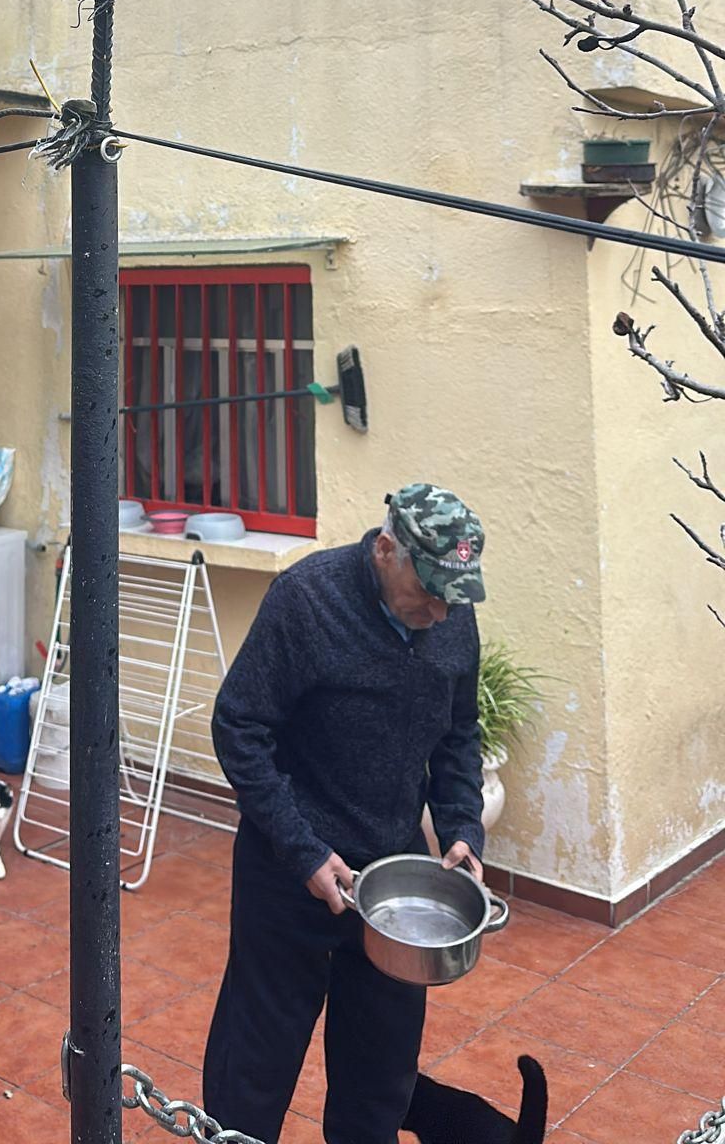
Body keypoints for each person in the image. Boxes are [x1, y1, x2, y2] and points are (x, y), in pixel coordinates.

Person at [203, 483, 487, 1144]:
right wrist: (302, 850)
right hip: (289, 869)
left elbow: (458, 735)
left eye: (456, 595)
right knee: (256, 1061)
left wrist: (462, 829)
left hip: (393, 877)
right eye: (432, 591)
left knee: (380, 1074)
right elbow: (239, 727)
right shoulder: (307, 599)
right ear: (387, 550)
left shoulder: (453, 611)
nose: (444, 613)